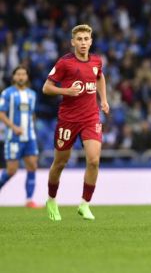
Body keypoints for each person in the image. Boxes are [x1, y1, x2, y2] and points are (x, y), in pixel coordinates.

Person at [42, 24, 109, 221]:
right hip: (68, 120)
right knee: (60, 162)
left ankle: (84, 203)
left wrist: (103, 100)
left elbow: (99, 77)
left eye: (86, 39)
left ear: (91, 41)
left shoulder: (96, 61)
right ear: (73, 42)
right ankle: (52, 199)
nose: (83, 43)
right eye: (79, 39)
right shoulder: (65, 63)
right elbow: (47, 87)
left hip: (90, 117)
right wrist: (66, 91)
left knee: (94, 160)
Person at [0, 66, 39, 208]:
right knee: (11, 170)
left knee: (32, 166)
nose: (21, 77)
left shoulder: (32, 94)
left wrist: (31, 127)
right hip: (13, 137)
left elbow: (31, 114)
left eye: (23, 74)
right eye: (18, 74)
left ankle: (29, 200)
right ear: (14, 77)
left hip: (29, 137)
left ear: (27, 77)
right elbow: (1, 113)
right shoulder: (7, 93)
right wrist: (14, 127)